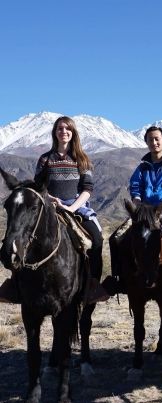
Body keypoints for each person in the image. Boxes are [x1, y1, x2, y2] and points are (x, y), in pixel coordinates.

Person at [0, 116, 109, 304]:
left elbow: (87, 189)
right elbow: (37, 187)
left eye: (68, 129)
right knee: (22, 236)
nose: (64, 132)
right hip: (48, 206)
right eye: (60, 128)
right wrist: (51, 200)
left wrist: (70, 207)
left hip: (77, 207)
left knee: (97, 238)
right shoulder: (45, 159)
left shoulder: (82, 159)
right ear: (55, 132)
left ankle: (92, 285)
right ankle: (15, 283)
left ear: (73, 133)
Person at [103, 126, 162, 293]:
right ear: (146, 142)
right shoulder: (142, 167)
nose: (154, 142)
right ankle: (119, 278)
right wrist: (137, 205)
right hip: (143, 213)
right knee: (115, 238)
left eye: (157, 139)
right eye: (150, 140)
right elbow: (135, 187)